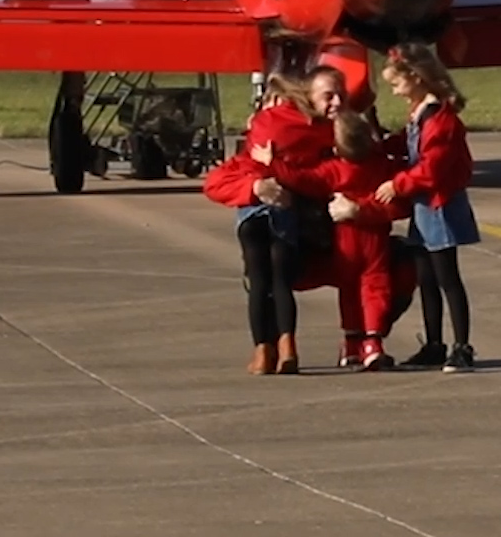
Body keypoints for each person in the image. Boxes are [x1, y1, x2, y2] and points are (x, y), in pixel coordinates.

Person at [200, 69, 341, 374]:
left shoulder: (264, 124)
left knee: (257, 280)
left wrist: (252, 186)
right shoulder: (320, 130)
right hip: (284, 211)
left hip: (252, 213)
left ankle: (262, 351)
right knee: (281, 281)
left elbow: (215, 181)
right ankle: (288, 344)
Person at [258, 107, 404, 371]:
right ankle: (372, 340)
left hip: (344, 238)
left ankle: (351, 341)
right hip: (375, 237)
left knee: (348, 289)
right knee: (376, 286)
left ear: (336, 149)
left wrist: (273, 162)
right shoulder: (382, 166)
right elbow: (401, 192)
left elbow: (302, 179)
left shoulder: (334, 170)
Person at [374, 42, 479, 372]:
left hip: (440, 205)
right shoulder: (421, 114)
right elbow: (407, 143)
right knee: (426, 277)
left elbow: (432, 168)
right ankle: (435, 343)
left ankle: (463, 346)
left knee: (448, 277)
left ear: (416, 78)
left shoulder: (441, 120)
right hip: (424, 207)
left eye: (397, 83)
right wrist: (379, 142)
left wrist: (397, 184)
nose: (395, 91)